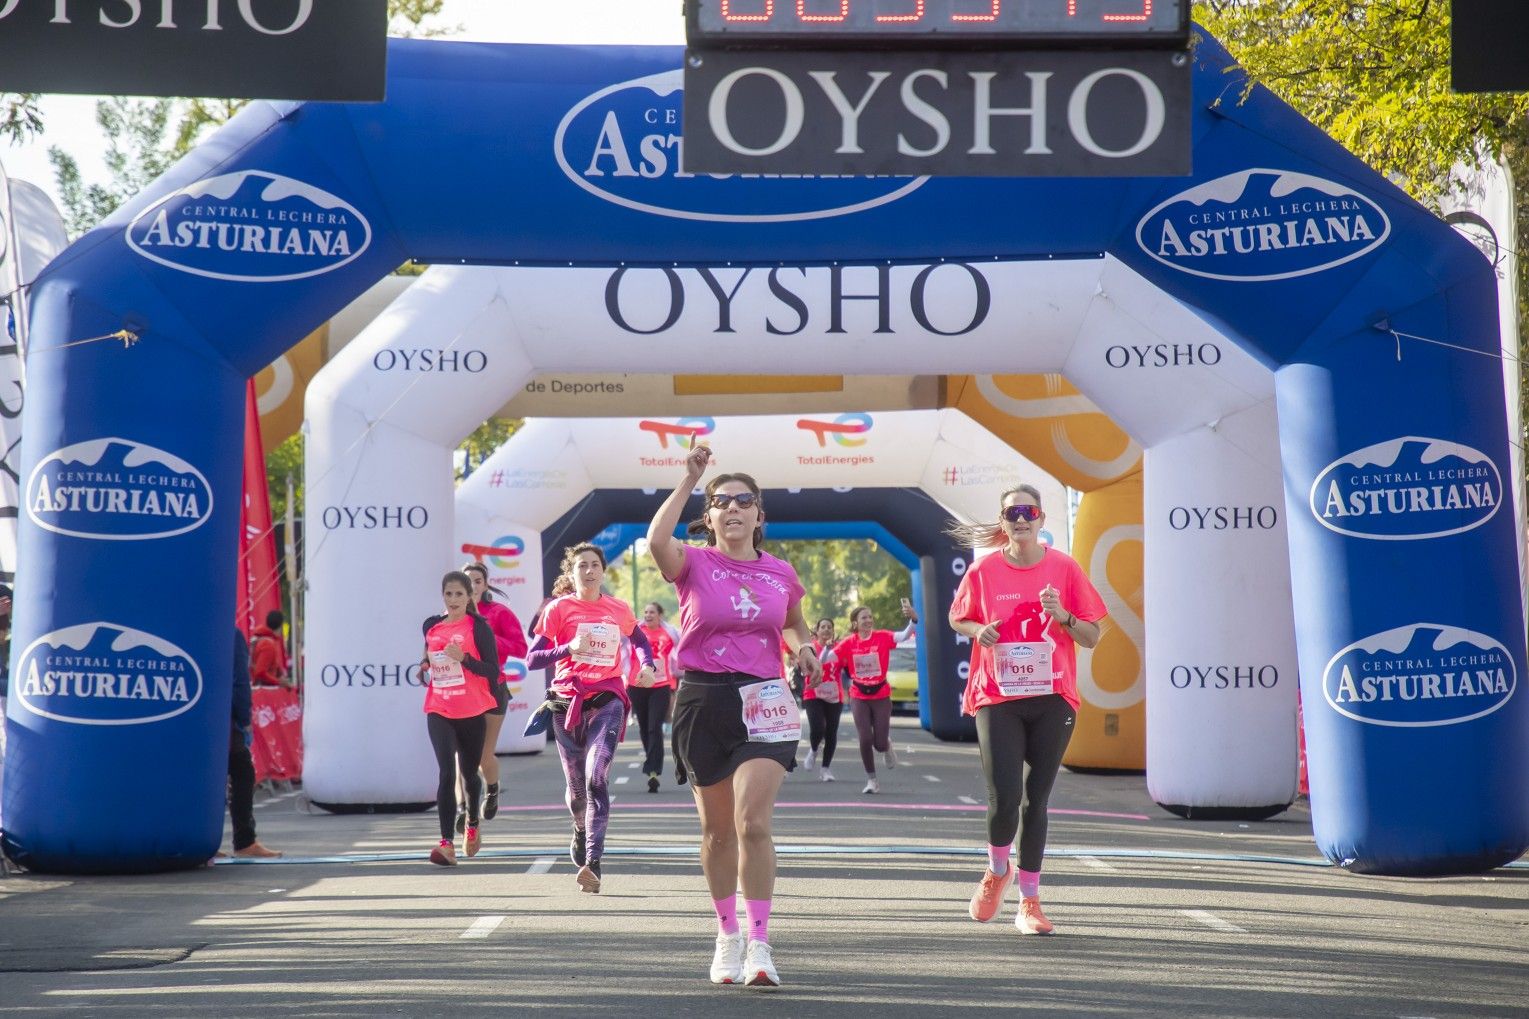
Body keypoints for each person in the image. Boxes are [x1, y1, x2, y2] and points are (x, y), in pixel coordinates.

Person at [648, 444, 820, 989]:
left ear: (759, 516)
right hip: (702, 699)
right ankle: (727, 936)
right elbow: (656, 541)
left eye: (744, 501)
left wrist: (805, 647)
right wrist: (688, 480)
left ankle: (761, 944)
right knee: (717, 831)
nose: (733, 508)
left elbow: (793, 623)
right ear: (711, 516)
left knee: (752, 823)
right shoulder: (692, 562)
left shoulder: (780, 572)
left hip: (764, 699)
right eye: (721, 502)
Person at [946, 485, 1106, 936]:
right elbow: (957, 617)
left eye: (1028, 511)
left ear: (1041, 519)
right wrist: (979, 630)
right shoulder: (983, 570)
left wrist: (1063, 616)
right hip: (997, 695)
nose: (1020, 519)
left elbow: (1092, 637)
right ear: (1002, 521)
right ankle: (998, 870)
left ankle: (1030, 902)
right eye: (1012, 512)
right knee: (1004, 797)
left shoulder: (1064, 569)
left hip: (1052, 696)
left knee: (1037, 799)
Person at [526, 544, 656, 893]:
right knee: (577, 791)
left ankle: (593, 862)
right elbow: (533, 658)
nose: (589, 570)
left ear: (602, 570)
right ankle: (580, 828)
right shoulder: (559, 609)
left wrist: (647, 665)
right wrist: (566, 648)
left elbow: (640, 638)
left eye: (594, 564)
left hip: (608, 699)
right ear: (572, 573)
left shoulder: (617, 608)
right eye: (581, 565)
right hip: (567, 703)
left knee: (597, 777)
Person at [418, 571, 501, 866]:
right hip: (439, 707)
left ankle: (472, 823)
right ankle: (445, 844)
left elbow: (492, 670)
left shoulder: (478, 628)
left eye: (459, 594)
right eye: (448, 594)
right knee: (445, 773)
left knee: (469, 774)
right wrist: (423, 665)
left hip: (472, 710)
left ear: (469, 597)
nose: (453, 600)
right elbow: (428, 656)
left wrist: (464, 658)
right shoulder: (431, 626)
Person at [461, 561, 529, 826]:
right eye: (468, 581)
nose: (473, 586)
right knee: (461, 757)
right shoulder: (454, 615)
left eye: (477, 581)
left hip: (492, 688)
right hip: (460, 691)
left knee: (481, 756)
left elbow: (521, 649)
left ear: (485, 584)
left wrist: (489, 638)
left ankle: (491, 788)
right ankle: (463, 809)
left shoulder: (499, 613)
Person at [832, 602, 918, 794]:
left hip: (881, 695)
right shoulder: (848, 643)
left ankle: (886, 745)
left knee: (878, 744)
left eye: (870, 617)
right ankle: (872, 780)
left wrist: (913, 619)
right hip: (859, 695)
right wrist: (819, 651)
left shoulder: (882, 637)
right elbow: (829, 658)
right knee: (864, 738)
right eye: (864, 617)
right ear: (855, 623)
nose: (868, 620)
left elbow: (904, 636)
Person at [225, 629, 281, 859]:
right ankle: (245, 841)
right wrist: (245, 717)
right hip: (224, 720)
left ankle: (203, 842)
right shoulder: (230, 633)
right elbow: (239, 679)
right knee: (242, 772)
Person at [632, 602, 677, 793]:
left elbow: (683, 649)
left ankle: (653, 770)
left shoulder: (670, 633)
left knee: (654, 727)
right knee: (644, 727)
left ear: (660, 615)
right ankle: (651, 763)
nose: (648, 615)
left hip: (661, 685)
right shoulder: (635, 631)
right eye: (646, 612)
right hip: (637, 685)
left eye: (652, 612)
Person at [799, 617, 844, 783]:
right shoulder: (809, 648)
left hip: (834, 695)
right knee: (818, 728)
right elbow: (818, 663)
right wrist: (826, 649)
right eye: (823, 627)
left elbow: (848, 665)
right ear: (816, 631)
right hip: (813, 693)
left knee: (831, 732)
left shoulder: (839, 648)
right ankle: (813, 749)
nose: (826, 630)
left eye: (829, 627)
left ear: (833, 631)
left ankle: (825, 769)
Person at [249, 609, 291, 688]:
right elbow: (260, 672)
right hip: (266, 691)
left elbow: (271, 664)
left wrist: (280, 675)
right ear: (280, 626)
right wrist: (279, 682)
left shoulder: (261, 639)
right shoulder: (268, 645)